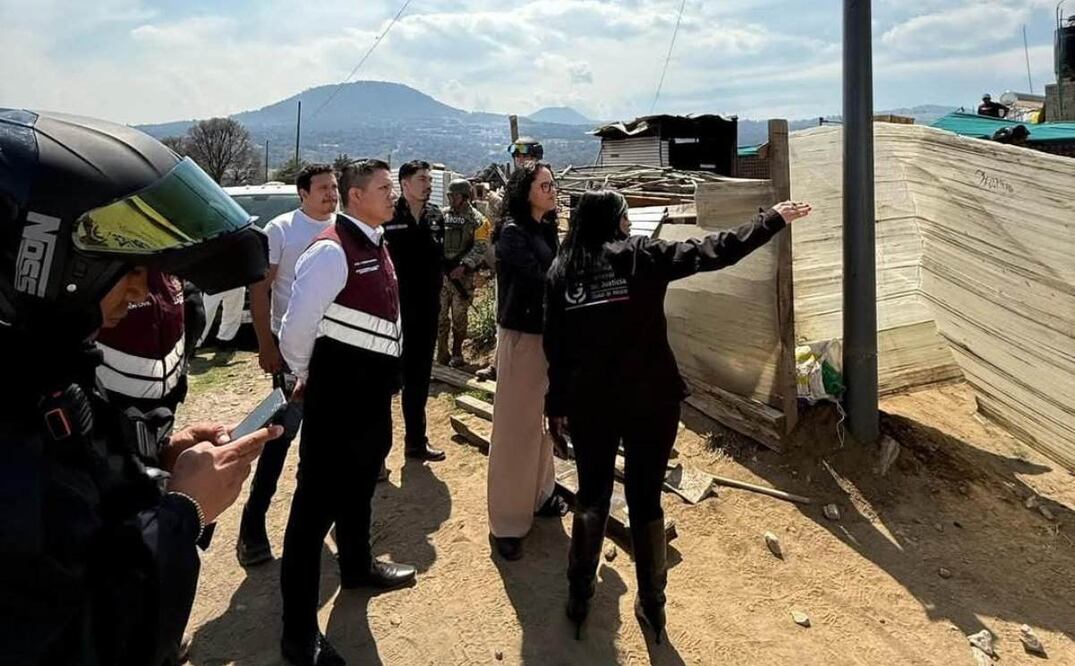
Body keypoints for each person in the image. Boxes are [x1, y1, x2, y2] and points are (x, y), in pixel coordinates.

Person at [0, 109, 279, 665]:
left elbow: (84, 488)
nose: (142, 288)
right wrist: (183, 514)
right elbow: (79, 640)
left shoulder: (44, 365)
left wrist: (154, 456)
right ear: (45, 257)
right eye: (126, 266)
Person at [544, 189, 812, 642]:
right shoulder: (642, 257)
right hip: (651, 400)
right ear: (614, 221)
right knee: (646, 500)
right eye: (625, 217)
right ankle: (653, 607)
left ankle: (580, 595)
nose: (629, 224)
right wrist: (771, 220)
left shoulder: (561, 271)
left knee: (591, 496)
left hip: (591, 404)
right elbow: (716, 250)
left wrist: (556, 408)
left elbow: (556, 349)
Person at [278, 160, 417, 666]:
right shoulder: (331, 250)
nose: (392, 195)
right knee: (311, 516)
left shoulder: (376, 242)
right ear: (356, 196)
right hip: (336, 405)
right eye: (383, 188)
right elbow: (296, 328)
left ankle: (357, 568)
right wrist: (304, 376)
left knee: (359, 489)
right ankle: (297, 636)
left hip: (370, 402)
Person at [236, 163, 338, 567]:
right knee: (281, 436)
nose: (331, 194)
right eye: (323, 188)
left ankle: (317, 521)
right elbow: (259, 290)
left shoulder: (342, 228)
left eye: (334, 187)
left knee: (326, 440)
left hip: (331, 351)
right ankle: (252, 523)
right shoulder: (281, 229)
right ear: (303, 193)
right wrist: (265, 344)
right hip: (290, 348)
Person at [486, 161, 569, 562]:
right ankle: (506, 521)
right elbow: (543, 279)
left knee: (542, 423)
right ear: (526, 191)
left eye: (553, 184)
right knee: (515, 430)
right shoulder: (513, 234)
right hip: (522, 338)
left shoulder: (545, 227)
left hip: (547, 337)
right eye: (545, 185)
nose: (552, 191)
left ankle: (541, 495)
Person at [382, 160, 447, 462]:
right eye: (422, 179)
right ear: (404, 184)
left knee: (419, 379)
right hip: (393, 311)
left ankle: (416, 442)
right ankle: (378, 454)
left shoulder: (436, 215)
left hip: (427, 309)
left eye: (430, 179)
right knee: (386, 381)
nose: (428, 184)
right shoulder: (389, 215)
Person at [95, 271, 204, 417]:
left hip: (169, 393)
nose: (139, 295)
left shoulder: (170, 267)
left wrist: (182, 368)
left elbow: (194, 312)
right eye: (134, 271)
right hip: (111, 399)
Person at [437, 178, 490, 367]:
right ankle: (441, 355)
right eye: (449, 195)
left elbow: (481, 247)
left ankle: (457, 353)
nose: (450, 198)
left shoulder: (478, 221)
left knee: (459, 318)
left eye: (454, 195)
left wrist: (465, 266)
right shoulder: (441, 216)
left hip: (463, 280)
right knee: (440, 318)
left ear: (465, 197)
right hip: (442, 277)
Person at [198, 284, 245, 349]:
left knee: (234, 310)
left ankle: (225, 340)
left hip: (236, 281)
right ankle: (195, 343)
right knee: (205, 313)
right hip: (212, 282)